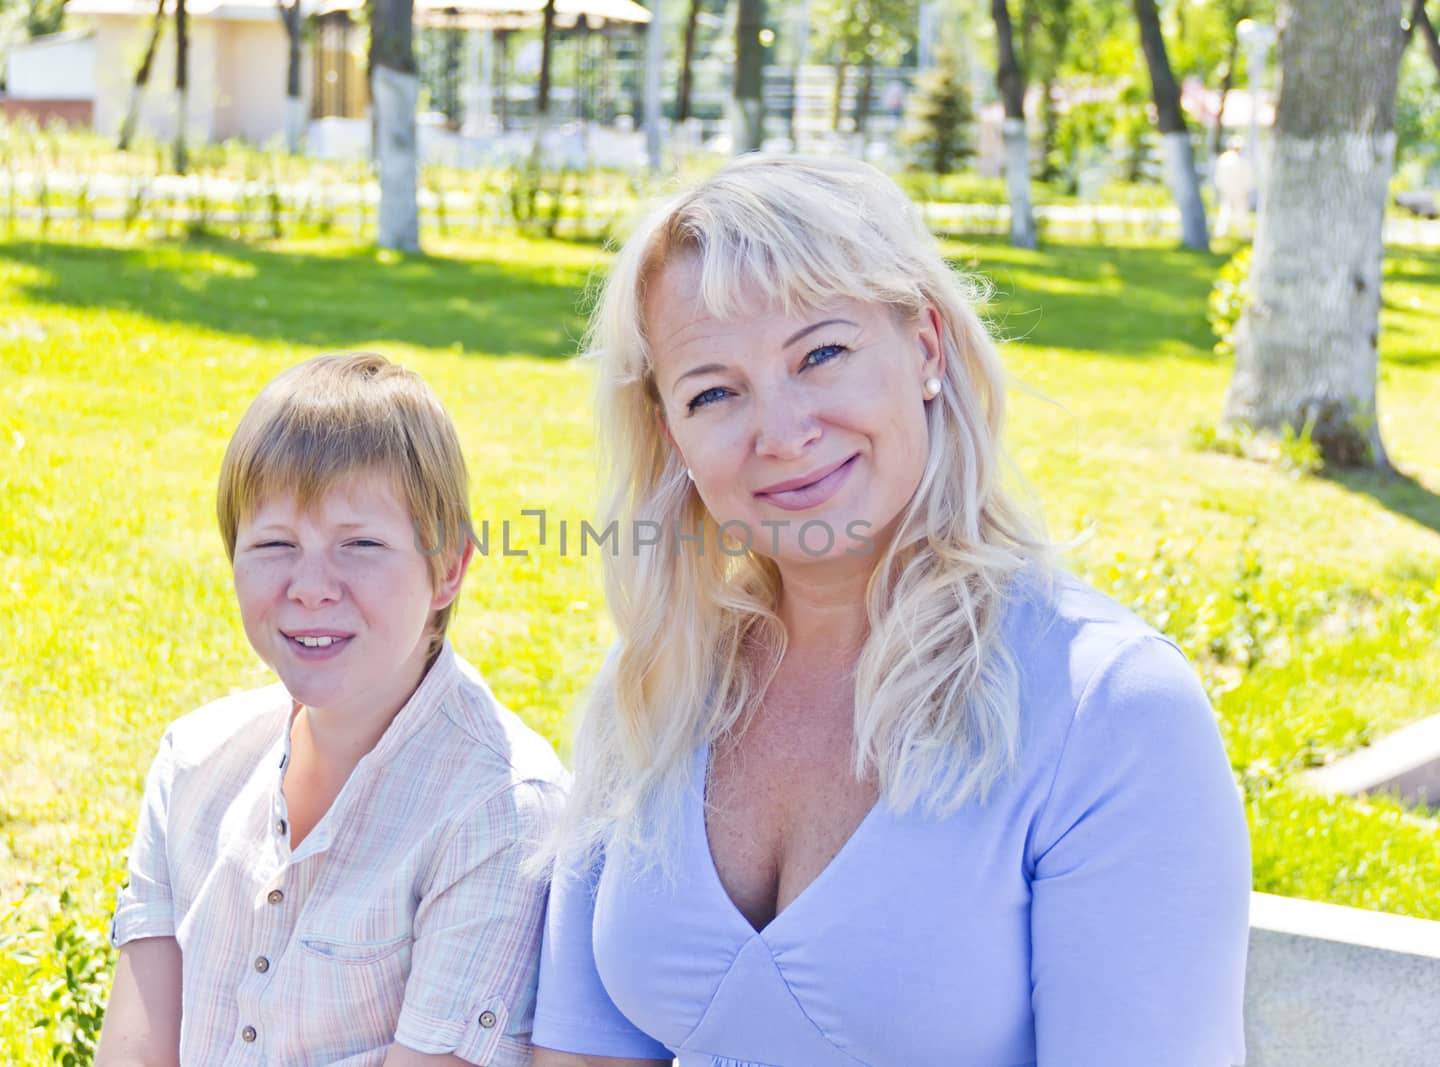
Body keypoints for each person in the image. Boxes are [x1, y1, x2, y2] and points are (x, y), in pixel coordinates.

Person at [530, 156, 1250, 1067]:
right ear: (671, 430)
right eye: (714, 391)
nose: (783, 431)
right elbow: (582, 1053)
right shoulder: (655, 684)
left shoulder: (1108, 709)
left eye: (821, 353)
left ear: (925, 350)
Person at [99, 353, 567, 1066]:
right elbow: (134, 1050)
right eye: (274, 543)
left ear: (448, 568)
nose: (311, 586)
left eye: (360, 544)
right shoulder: (194, 761)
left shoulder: (499, 812)